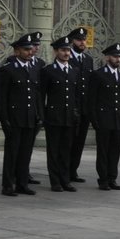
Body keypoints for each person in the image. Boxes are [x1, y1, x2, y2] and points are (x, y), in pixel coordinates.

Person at [0, 32, 44, 196]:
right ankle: (8, 184)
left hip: (30, 117)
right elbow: (3, 97)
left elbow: (37, 94)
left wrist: (39, 114)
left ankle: (22, 183)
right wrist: (4, 119)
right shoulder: (8, 70)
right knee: (12, 153)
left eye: (31, 49)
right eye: (26, 49)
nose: (30, 52)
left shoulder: (34, 69)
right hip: (14, 118)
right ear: (17, 51)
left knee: (25, 152)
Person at [39, 36, 81, 192]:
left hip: (69, 117)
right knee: (54, 151)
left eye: (68, 50)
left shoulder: (73, 71)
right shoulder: (48, 71)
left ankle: (66, 180)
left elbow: (76, 95)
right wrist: (43, 116)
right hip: (54, 117)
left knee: (66, 150)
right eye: (63, 50)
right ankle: (55, 181)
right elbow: (41, 95)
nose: (66, 53)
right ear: (56, 51)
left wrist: (76, 112)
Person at [86, 43, 120, 190]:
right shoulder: (98, 75)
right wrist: (95, 120)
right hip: (103, 119)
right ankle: (103, 179)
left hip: (117, 119)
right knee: (103, 151)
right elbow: (92, 100)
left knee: (115, 150)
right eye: (115, 56)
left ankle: (112, 178)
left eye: (119, 56)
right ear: (107, 58)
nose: (118, 59)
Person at [65, 26, 94, 183]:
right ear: (72, 41)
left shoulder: (88, 60)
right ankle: (65, 171)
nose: (83, 42)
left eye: (84, 40)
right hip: (71, 107)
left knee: (80, 141)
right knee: (69, 141)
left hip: (84, 109)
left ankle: (73, 170)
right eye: (79, 40)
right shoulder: (67, 57)